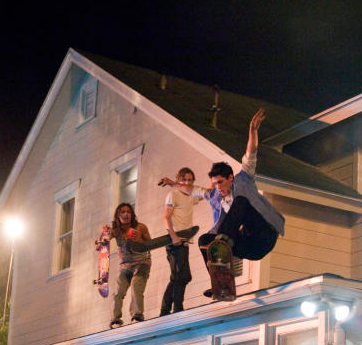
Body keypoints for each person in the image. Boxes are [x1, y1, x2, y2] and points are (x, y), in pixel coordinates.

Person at [198, 108, 286, 294]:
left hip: (264, 235)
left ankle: (224, 240)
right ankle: (220, 285)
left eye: (220, 182)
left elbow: (250, 155)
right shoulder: (219, 201)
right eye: (215, 184)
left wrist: (253, 132)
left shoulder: (243, 179)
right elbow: (194, 191)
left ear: (230, 177)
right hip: (250, 248)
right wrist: (175, 184)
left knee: (241, 202)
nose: (218, 187)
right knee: (205, 239)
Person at [157, 167, 208, 316]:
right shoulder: (173, 195)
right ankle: (175, 308)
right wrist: (173, 237)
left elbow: (204, 194)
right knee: (181, 276)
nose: (187, 182)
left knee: (180, 276)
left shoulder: (190, 197)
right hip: (175, 241)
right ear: (179, 180)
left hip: (184, 242)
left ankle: (166, 310)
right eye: (184, 179)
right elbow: (166, 218)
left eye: (190, 180)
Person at [109, 203, 152, 328]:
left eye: (128, 212)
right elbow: (103, 241)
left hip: (141, 263)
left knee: (136, 286)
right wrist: (102, 241)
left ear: (132, 214)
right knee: (118, 291)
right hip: (125, 266)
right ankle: (115, 320)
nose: (126, 214)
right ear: (118, 214)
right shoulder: (115, 231)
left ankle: (137, 315)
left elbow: (151, 244)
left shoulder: (140, 227)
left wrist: (140, 239)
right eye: (123, 212)